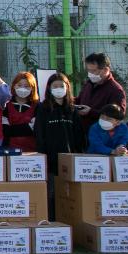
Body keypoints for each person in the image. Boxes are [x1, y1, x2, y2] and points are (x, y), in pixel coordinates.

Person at [35, 73, 84, 220]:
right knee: (50, 195)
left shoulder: (73, 110)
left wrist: (78, 154)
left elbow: (79, 135)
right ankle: (51, 223)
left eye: (61, 86)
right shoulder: (43, 109)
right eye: (54, 86)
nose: (58, 89)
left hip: (69, 160)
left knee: (69, 195)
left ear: (67, 87)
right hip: (50, 160)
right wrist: (43, 156)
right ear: (49, 88)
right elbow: (39, 133)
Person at [76, 52, 127, 119]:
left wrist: (91, 112)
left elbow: (118, 115)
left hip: (101, 128)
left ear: (106, 70)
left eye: (94, 71)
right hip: (83, 128)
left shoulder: (115, 90)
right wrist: (67, 99)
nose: (90, 74)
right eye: (88, 70)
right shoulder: (89, 84)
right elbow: (79, 100)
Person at [3, 72, 38, 151]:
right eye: (19, 85)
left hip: (32, 151)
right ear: (14, 86)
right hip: (10, 150)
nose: (23, 88)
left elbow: (35, 129)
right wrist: (27, 126)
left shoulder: (37, 107)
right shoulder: (6, 106)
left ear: (32, 88)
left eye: (26, 86)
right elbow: (5, 131)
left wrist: (12, 129)